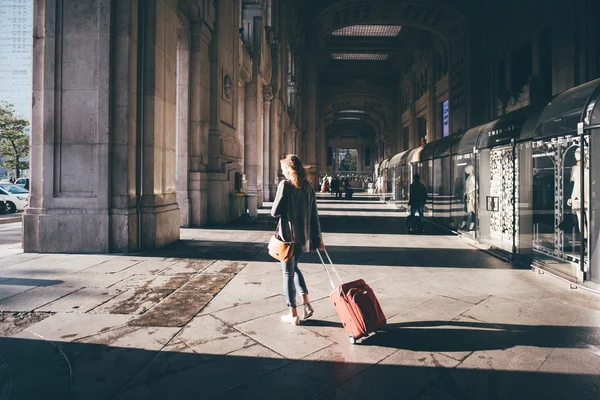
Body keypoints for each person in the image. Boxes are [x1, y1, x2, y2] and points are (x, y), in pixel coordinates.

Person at [271, 154, 325, 325]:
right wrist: (318, 240)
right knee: (294, 268)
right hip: (304, 238)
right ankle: (306, 302)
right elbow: (315, 216)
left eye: (283, 170)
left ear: (288, 170)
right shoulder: (308, 187)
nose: (282, 173)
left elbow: (275, 212)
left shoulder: (285, 186)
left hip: (288, 238)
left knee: (287, 273)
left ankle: (293, 313)